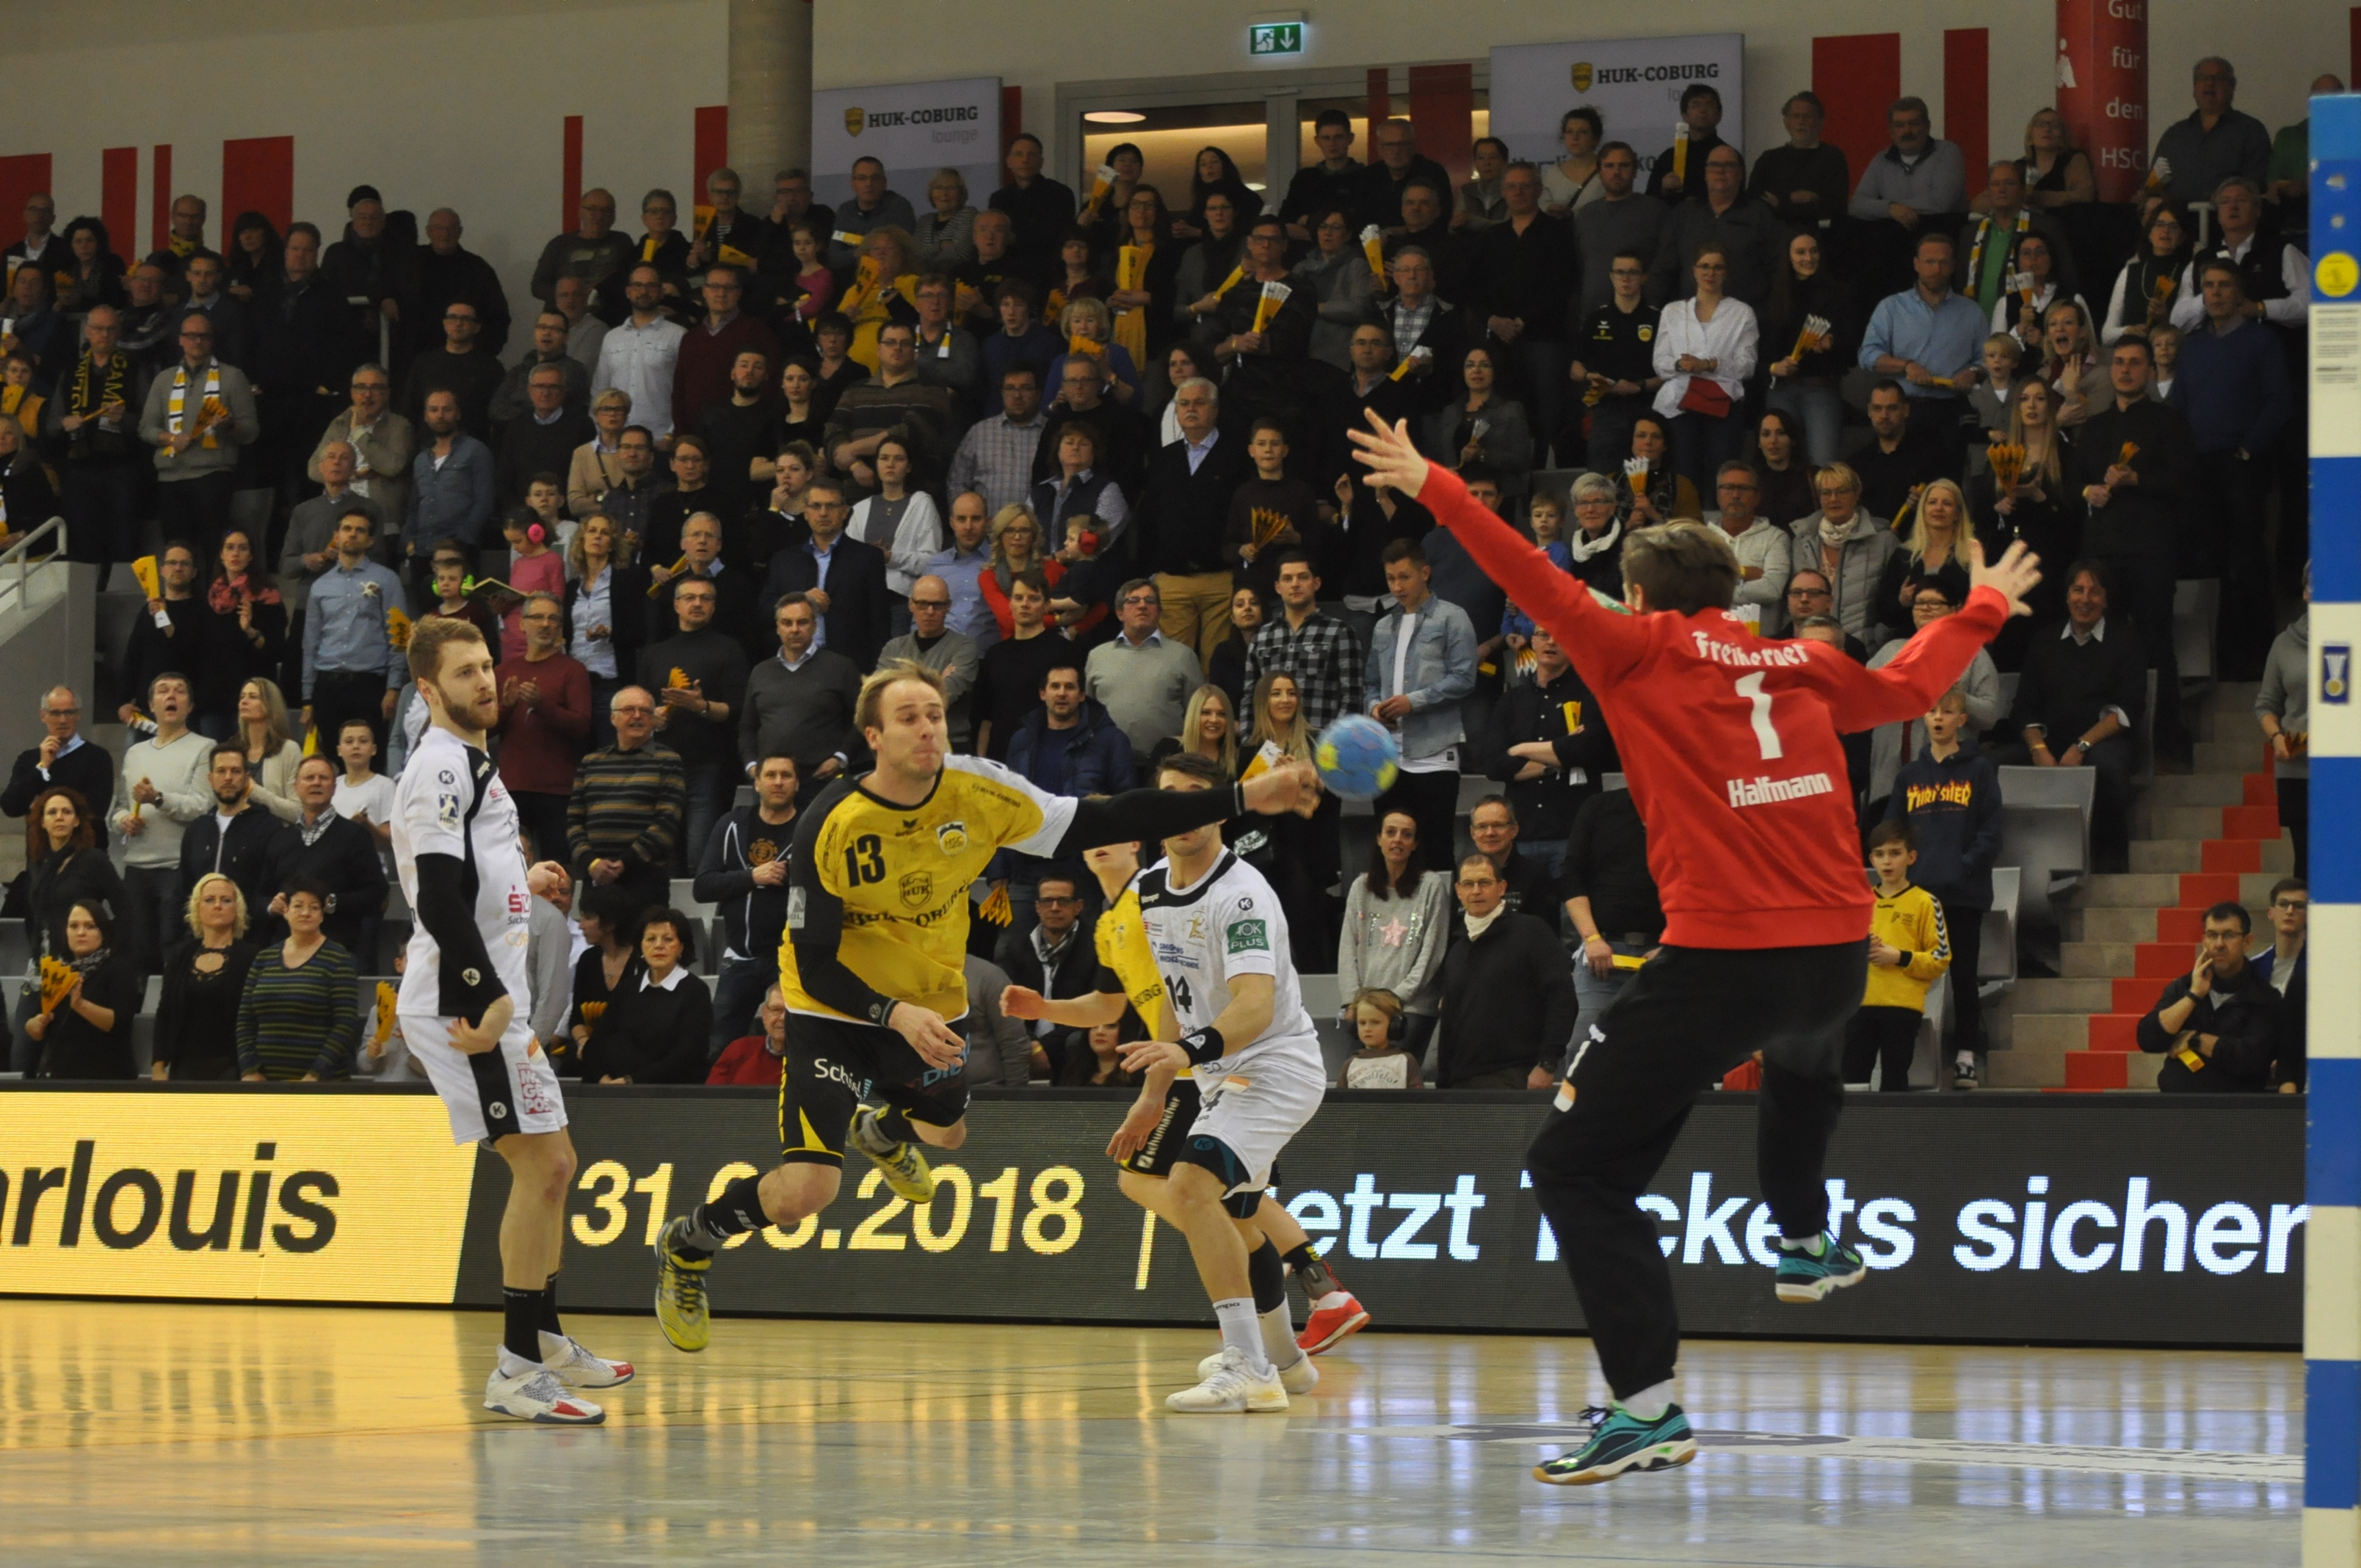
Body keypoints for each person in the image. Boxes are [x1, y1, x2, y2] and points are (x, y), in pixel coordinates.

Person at [1346, 409, 2033, 1484]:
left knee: (1572, 1167)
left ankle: (1647, 1407)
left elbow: (1524, 570)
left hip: (1726, 962)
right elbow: (1910, 685)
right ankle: (1801, 1238)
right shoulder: (1798, 657)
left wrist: (1435, 482)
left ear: (1637, 598)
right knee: (1801, 1062)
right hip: (1837, 951)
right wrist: (1985, 604)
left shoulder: (1632, 649)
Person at [646, 659, 1324, 1359]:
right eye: (908, 718)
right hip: (836, 1006)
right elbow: (814, 960)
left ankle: (882, 1130)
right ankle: (691, 1242)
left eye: (935, 715)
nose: (927, 729)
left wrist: (1243, 795)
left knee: (947, 1136)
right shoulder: (830, 822)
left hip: (931, 997)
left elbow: (1108, 817)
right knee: (806, 1191)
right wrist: (892, 1014)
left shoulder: (980, 790)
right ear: (873, 737)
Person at [389, 616, 631, 1421]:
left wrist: (524, 879)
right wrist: (483, 994)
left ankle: (546, 1341)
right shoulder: (440, 764)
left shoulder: (472, 760)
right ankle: (517, 1370)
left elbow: (469, 875)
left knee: (554, 1166)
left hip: (492, 994)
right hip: (467, 1002)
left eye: (487, 665)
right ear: (428, 689)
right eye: (464, 672)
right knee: (541, 1169)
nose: (486, 681)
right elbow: (435, 893)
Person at [1007, 827, 1372, 1353]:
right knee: (1231, 1200)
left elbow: (1218, 1002)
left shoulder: (1181, 892)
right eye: (1093, 838)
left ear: (1138, 844)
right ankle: (1305, 1319)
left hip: (1212, 1059)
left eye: (1114, 834)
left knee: (1171, 1186)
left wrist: (1167, 1072)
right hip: (1194, 1062)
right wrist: (1045, 1009)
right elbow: (1118, 1004)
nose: (1102, 843)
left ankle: (1266, 1315)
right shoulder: (1117, 918)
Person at [2073, 335, 2193, 760]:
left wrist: (2137, 479)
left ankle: (2167, 740)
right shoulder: (2094, 427)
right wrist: (2088, 491)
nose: (2125, 370)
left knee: (2155, 644)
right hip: (2102, 553)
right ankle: (2106, 741)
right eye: (2119, 362)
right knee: (2102, 648)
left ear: (2150, 370)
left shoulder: (2168, 422)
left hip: (2150, 552)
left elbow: (2186, 482)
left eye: (2135, 362)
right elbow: (2072, 482)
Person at [2176, 258, 2292, 678]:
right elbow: (2178, 406)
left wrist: (2248, 448)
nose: (2216, 293)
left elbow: (2279, 400)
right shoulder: (2192, 346)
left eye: (2224, 285)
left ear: (2240, 292)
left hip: (2241, 465)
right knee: (2207, 562)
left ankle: (2260, 659)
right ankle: (2216, 660)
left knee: (2248, 559)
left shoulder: (2262, 341)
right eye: (2209, 285)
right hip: (2198, 468)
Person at [1884, 687, 2002, 1088]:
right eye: (1932, 711)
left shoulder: (1979, 770)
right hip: (1916, 896)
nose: (1938, 718)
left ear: (1962, 720)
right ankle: (1901, 1062)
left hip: (1963, 894)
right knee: (1907, 976)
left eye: (1947, 712)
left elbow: (1991, 830)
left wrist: (1963, 867)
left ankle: (1966, 1056)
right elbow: (1892, 831)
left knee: (1964, 977)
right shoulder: (1909, 775)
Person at [1999, 560, 2145, 871]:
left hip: (2100, 743)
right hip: (2048, 743)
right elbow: (2023, 706)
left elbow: (2127, 710)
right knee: (1990, 766)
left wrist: (2081, 747)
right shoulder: (2044, 641)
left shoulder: (2125, 642)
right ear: (2067, 596)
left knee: (2108, 768)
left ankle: (2108, 863)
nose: (2085, 599)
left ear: (2106, 600)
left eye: (2095, 592)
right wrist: (2038, 749)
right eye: (2078, 590)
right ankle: (2003, 862)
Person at [1364, 539, 1476, 863]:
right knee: (1390, 855)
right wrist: (1374, 708)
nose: (1397, 587)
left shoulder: (1452, 617)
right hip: (1388, 755)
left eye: (1404, 577)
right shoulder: (1383, 626)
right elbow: (1371, 683)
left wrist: (1413, 702)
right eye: (1390, 579)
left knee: (1435, 850)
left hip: (1434, 752)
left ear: (1425, 573)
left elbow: (1464, 677)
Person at [1434, 852, 1578, 1089]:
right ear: (1458, 891)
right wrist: (1443, 1083)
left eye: (1484, 883)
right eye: (1468, 884)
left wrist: (1547, 1063)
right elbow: (1449, 1023)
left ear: (1502, 888)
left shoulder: (1532, 931)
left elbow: (1562, 997)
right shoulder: (1457, 949)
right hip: (1459, 1082)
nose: (1476, 891)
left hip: (1515, 1076)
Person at [1133, 378, 1250, 663]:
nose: (1191, 409)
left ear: (1215, 409)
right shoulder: (1164, 457)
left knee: (1218, 662)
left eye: (1199, 403)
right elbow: (1149, 517)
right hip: (1172, 579)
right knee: (1173, 665)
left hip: (1221, 577)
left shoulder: (1238, 455)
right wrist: (1152, 572)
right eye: (1184, 404)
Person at [637, 574, 749, 868]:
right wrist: (651, 718)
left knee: (701, 852)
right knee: (662, 854)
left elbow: (739, 710)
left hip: (709, 765)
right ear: (676, 605)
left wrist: (702, 707)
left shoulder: (729, 649)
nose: (697, 604)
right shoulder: (654, 653)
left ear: (714, 606)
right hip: (661, 765)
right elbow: (638, 707)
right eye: (690, 598)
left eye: (705, 598)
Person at [694, 752, 799, 1056]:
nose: (778, 782)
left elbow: (825, 887)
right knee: (719, 1047)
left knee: (795, 1046)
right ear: (756, 783)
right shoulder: (731, 824)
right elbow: (703, 886)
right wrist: (753, 877)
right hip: (740, 957)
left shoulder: (810, 827)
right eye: (770, 775)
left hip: (789, 959)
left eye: (786, 775)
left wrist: (791, 875)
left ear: (797, 784)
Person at [1859, 232, 1986, 470]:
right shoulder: (1891, 308)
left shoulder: (1972, 312)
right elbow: (1867, 356)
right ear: (1916, 264)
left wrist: (1974, 372)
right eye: (1930, 261)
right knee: (1902, 478)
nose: (1936, 269)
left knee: (1948, 481)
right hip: (1905, 410)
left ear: (1953, 266)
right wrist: (1906, 366)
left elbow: (1986, 359)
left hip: (1953, 409)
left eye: (1943, 262)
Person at [139, 314, 258, 548]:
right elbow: (146, 428)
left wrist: (229, 425)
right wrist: (170, 438)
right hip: (170, 477)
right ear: (180, 339)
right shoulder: (164, 379)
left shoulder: (233, 377)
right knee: (177, 551)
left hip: (213, 474)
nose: (197, 341)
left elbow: (251, 432)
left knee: (214, 549)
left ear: (212, 340)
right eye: (191, 336)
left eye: (203, 336)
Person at [567, 686, 685, 921]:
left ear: (653, 719)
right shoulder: (591, 762)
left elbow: (667, 823)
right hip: (597, 879)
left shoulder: (668, 761)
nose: (638, 716)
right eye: (629, 709)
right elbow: (574, 821)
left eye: (645, 711)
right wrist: (591, 863)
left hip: (645, 881)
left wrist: (624, 862)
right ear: (613, 718)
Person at [2136, 900, 2277, 1092]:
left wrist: (2194, 1039)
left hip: (2237, 1105)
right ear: (2204, 941)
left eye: (2229, 935)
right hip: (2177, 1103)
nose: (2219, 944)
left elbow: (2252, 1060)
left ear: (2247, 942)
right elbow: (2149, 1039)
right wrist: (2193, 995)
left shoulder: (2264, 997)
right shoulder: (2185, 986)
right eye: (2212, 935)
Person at [1651, 245, 1757, 490]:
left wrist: (1709, 365)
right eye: (1705, 266)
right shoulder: (1673, 311)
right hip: (1680, 402)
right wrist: (1681, 364)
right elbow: (1660, 362)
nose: (1711, 273)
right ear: (1694, 270)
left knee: (1724, 472)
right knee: (1684, 474)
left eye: (1718, 267)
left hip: (1723, 402)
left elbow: (1747, 365)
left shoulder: (1741, 312)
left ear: (1726, 273)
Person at [232, 876, 358, 1081]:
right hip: (265, 1084)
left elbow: (345, 1024)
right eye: (298, 906)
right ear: (286, 910)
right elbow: (245, 1020)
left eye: (314, 907)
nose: (306, 913)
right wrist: (249, 1069)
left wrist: (316, 1074)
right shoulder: (264, 958)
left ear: (322, 915)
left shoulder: (339, 959)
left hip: (322, 1084)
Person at [763, 476, 894, 672]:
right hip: (794, 664)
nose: (823, 513)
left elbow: (880, 623)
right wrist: (802, 600)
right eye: (816, 506)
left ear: (844, 512)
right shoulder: (784, 560)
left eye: (831, 506)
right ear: (805, 512)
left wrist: (877, 673)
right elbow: (765, 609)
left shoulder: (868, 558)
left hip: (851, 666)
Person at [739, 593, 863, 785]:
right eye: (787, 623)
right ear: (778, 628)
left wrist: (840, 758)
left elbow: (863, 718)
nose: (795, 629)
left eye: (802, 622)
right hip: (772, 781)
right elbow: (747, 727)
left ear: (815, 626)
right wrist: (752, 765)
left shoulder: (841, 668)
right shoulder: (760, 671)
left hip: (822, 779)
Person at [578, 909, 711, 1085]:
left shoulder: (695, 992)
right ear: (641, 946)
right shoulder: (627, 989)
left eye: (668, 939)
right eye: (651, 939)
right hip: (611, 1087)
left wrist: (630, 1082)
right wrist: (604, 1080)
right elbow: (596, 1043)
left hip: (666, 1090)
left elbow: (688, 1055)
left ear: (681, 947)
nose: (659, 946)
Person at [1647, 144, 1785, 313]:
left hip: (1745, 318)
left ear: (1740, 173)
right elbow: (1663, 269)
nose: (1721, 171)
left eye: (1729, 165)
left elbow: (1777, 271)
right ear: (1705, 173)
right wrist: (1651, 310)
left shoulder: (1760, 215)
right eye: (1715, 165)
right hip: (1690, 319)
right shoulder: (1684, 213)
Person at [990, 865, 1099, 1073]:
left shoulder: (1097, 947)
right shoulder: (1016, 947)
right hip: (1026, 1041)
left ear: (1078, 907)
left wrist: (1045, 1047)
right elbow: (1005, 1004)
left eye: (1063, 901)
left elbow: (1096, 1008)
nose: (1055, 908)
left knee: (1078, 1041)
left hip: (1073, 1040)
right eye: (1047, 901)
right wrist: (1031, 1043)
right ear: (1038, 907)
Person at [150, 871, 256, 1082]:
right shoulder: (180, 955)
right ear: (197, 908)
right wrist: (158, 1067)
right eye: (209, 900)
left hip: (234, 1066)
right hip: (185, 1065)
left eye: (226, 900)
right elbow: (165, 1012)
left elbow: (255, 1018)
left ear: (237, 908)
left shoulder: (252, 956)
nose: (218, 906)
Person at [1084, 578, 1202, 761]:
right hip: (1109, 762)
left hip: (1168, 763)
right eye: (1133, 601)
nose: (1142, 606)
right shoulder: (1097, 656)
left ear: (1159, 612)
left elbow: (1197, 715)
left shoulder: (1183, 656)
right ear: (1120, 613)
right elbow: (1088, 713)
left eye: (1150, 601)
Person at [1569, 248, 1663, 473]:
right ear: (1611, 276)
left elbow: (1671, 373)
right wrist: (1590, 377)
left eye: (1632, 272)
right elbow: (1575, 368)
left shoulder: (1658, 319)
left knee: (1644, 480)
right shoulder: (1596, 318)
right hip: (1606, 409)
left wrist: (1640, 386)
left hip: (1647, 409)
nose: (1626, 278)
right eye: (1620, 272)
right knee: (1602, 478)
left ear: (1644, 277)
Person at [24, 900, 138, 1081]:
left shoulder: (119, 968)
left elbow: (120, 1024)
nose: (81, 933)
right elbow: (34, 1023)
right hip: (61, 1076)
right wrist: (36, 1026)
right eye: (74, 926)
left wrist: (80, 1005)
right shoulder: (58, 970)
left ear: (103, 932)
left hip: (109, 1077)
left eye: (90, 926)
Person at [193, 531, 287, 741]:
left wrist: (250, 631)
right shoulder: (209, 599)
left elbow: (277, 651)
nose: (236, 553)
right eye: (230, 548)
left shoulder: (267, 597)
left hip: (254, 699)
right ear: (221, 555)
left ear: (251, 556)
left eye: (243, 548)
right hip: (214, 699)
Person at [564, 512, 649, 743]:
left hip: (610, 680)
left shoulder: (627, 580)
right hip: (576, 682)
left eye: (604, 533)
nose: (597, 536)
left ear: (612, 543)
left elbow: (641, 631)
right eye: (592, 531)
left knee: (610, 749)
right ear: (582, 540)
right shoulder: (572, 587)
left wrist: (610, 633)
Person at [2152, 57, 2272, 208]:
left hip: (2225, 218)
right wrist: (2149, 195)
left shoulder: (2251, 131)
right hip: (2176, 218)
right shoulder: (2175, 135)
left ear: (2232, 86)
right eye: (2203, 78)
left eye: (2218, 78)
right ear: (2195, 87)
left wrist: (2226, 195)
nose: (2209, 83)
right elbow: (2156, 183)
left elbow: (2255, 185)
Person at [878, 576, 980, 750]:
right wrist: (937, 680)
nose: (930, 611)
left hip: (951, 743)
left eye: (937, 605)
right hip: (902, 743)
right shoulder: (893, 648)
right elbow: (882, 697)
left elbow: (946, 695)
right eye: (923, 604)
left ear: (948, 606)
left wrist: (903, 685)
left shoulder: (964, 647)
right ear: (911, 604)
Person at [592, 266, 688, 443]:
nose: (644, 291)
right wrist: (602, 433)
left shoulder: (679, 336)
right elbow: (600, 389)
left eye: (651, 286)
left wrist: (671, 434)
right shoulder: (612, 337)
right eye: (638, 285)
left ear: (661, 292)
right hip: (617, 439)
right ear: (628, 292)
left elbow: (686, 392)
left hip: (660, 438)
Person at [2257, 575, 2310, 875]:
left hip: (2348, 765)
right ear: (2305, 593)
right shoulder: (2284, 643)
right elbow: (2266, 705)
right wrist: (2276, 736)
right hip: (2298, 765)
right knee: (2305, 864)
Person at [949, 366, 1048, 519]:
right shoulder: (980, 432)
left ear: (1038, 394)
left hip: (1036, 529)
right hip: (987, 529)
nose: (1017, 395)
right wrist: (970, 521)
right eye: (1010, 388)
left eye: (1025, 388)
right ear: (1002, 393)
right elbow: (957, 482)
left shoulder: (1052, 432)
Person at [3, 687, 112, 825]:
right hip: (40, 839)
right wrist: (43, 766)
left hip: (85, 838)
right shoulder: (28, 759)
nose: (63, 720)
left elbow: (97, 810)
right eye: (55, 713)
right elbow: (11, 808)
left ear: (79, 714)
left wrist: (39, 807)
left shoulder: (98, 757)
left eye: (69, 712)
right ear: (43, 716)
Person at [1749, 91, 1851, 228]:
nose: (1801, 122)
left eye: (1807, 117)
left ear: (1820, 122)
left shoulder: (1832, 158)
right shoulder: (1769, 159)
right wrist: (1791, 198)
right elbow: (1755, 200)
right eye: (1795, 116)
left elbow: (1836, 207)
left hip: (1819, 234)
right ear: (1786, 122)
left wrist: (1780, 204)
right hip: (1774, 233)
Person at [2254, 878, 2309, 1092]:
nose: (2290, 911)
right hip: (2258, 1066)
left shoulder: (2321, 970)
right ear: (2271, 913)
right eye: (2283, 904)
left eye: (2299, 905)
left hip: (2302, 1069)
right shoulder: (2253, 968)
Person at [1645, 83, 1729, 204]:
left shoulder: (1728, 156)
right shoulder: (1668, 157)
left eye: (1709, 105)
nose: (1703, 110)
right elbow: (1649, 203)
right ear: (1684, 115)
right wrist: (1663, 189)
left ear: (1719, 116)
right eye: (1696, 105)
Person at [710, 983, 790, 1087]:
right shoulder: (739, 1049)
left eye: (791, 1011)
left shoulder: (811, 1060)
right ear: (764, 1014)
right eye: (776, 1010)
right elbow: (711, 1095)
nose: (783, 1018)